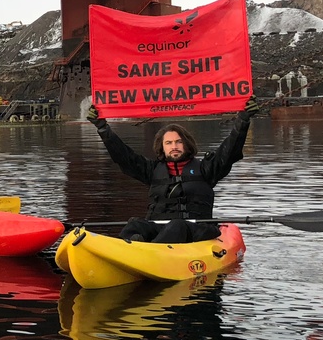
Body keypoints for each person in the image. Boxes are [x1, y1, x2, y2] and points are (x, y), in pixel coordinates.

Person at [86, 98, 260, 243]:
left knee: (177, 225)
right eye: (168, 143)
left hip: (196, 230)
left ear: (186, 144)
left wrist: (243, 120)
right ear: (162, 147)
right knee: (135, 224)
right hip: (158, 228)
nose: (174, 147)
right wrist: (102, 128)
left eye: (178, 142)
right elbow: (124, 157)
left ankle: (146, 253)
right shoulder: (152, 170)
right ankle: (127, 251)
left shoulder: (206, 169)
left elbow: (229, 151)